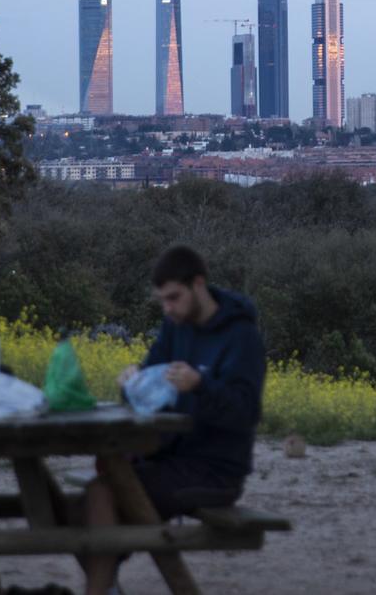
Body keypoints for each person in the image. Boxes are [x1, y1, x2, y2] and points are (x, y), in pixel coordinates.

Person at [80, 246, 264, 595]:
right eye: (163, 301)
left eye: (174, 298)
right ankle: (105, 586)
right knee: (87, 500)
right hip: (168, 457)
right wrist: (132, 384)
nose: (168, 308)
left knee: (102, 497)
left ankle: (100, 589)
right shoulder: (175, 326)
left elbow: (247, 412)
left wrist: (200, 385)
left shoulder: (241, 337)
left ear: (198, 284)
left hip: (216, 469)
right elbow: (151, 390)